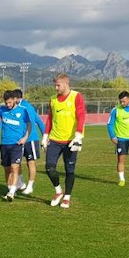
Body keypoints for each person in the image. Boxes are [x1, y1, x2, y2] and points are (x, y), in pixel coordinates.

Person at [41, 73, 86, 209]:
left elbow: (81, 115)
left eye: (58, 85)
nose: (56, 88)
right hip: (54, 139)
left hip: (71, 140)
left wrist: (78, 136)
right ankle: (58, 191)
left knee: (69, 170)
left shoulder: (76, 96)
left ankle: (67, 197)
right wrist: (45, 136)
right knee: (49, 167)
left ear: (66, 84)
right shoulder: (53, 99)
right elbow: (50, 118)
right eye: (55, 85)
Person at [0, 90, 31, 201]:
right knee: (7, 169)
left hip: (16, 144)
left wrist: (25, 138)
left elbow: (29, 125)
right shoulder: (2, 110)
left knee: (14, 167)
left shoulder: (22, 111)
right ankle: (10, 188)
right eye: (6, 103)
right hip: (4, 144)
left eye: (10, 102)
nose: (8, 105)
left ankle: (11, 192)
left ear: (15, 100)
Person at [13, 88, 45, 194]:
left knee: (30, 163)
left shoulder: (27, 107)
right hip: (19, 139)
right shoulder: (16, 108)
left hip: (30, 139)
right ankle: (21, 183)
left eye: (13, 98)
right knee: (17, 162)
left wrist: (46, 136)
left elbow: (37, 121)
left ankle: (30, 186)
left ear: (17, 98)